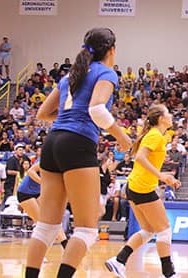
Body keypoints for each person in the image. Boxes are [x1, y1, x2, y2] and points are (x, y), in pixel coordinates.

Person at [25, 28, 132, 278]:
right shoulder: (106, 73)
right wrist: (121, 135)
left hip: (53, 142)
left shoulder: (71, 76)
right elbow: (96, 109)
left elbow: (42, 113)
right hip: (77, 142)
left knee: (47, 226)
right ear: (112, 50)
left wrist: (71, 116)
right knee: (86, 229)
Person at [105, 105, 180, 278]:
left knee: (147, 231)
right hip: (142, 187)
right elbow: (140, 158)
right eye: (168, 113)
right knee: (164, 230)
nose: (171, 116)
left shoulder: (157, 135)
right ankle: (169, 274)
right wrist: (161, 175)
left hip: (135, 186)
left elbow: (145, 161)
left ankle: (119, 260)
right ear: (161, 118)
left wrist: (165, 175)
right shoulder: (155, 135)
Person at [15, 152, 68, 249]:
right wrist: (43, 183)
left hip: (38, 193)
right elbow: (31, 171)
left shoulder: (62, 164)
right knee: (42, 223)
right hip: (25, 193)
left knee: (53, 220)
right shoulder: (48, 159)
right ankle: (37, 252)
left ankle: (66, 245)